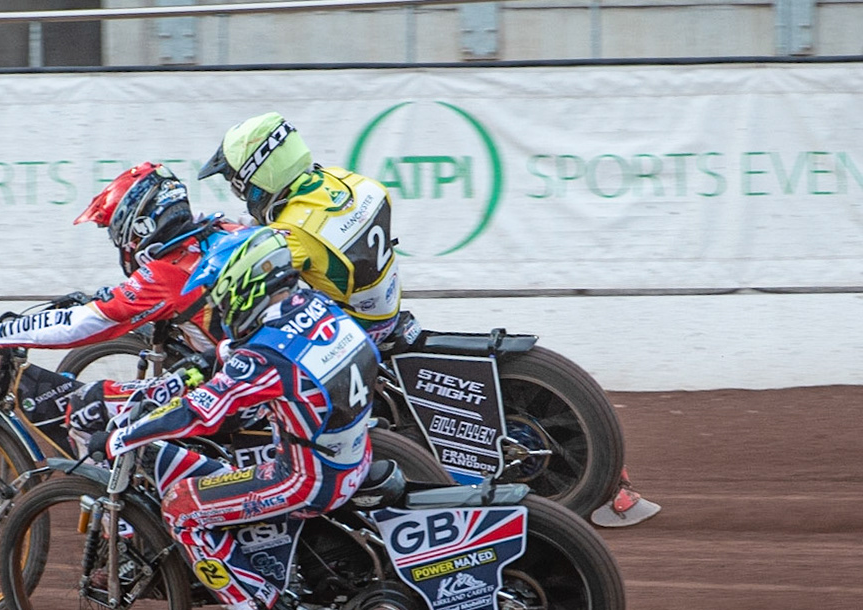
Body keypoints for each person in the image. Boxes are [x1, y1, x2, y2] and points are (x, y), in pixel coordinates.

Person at [196, 111, 660, 530]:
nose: (240, 192)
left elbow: (258, 258)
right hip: (388, 313)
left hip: (348, 334)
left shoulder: (292, 232)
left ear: (262, 172)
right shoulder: (351, 184)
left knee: (249, 352)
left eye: (240, 181)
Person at [85, 228, 381, 610]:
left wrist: (123, 435)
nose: (220, 309)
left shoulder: (265, 356)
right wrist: (199, 369)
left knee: (182, 508)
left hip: (306, 477)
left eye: (223, 298)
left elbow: (199, 413)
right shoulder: (316, 307)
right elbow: (234, 355)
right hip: (356, 450)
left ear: (245, 288)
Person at [0, 161, 237, 359]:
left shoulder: (166, 273)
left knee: (92, 407)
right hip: (259, 365)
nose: (121, 243)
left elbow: (76, 325)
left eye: (117, 231)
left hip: (237, 392)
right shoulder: (222, 229)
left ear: (141, 223)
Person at [197, 111, 404, 346]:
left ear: (257, 174)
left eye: (237, 186)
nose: (241, 195)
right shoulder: (347, 180)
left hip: (355, 326)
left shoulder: (295, 232)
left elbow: (248, 263)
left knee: (243, 330)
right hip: (388, 307)